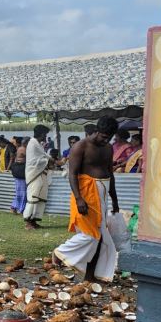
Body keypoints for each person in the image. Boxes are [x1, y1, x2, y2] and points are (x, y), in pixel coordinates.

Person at [53, 117, 120, 283]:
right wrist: (78, 199)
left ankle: (90, 277)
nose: (106, 140)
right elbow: (72, 174)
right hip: (86, 194)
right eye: (103, 136)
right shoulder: (80, 146)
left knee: (101, 237)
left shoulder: (108, 148)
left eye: (109, 137)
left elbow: (110, 173)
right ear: (96, 131)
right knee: (90, 235)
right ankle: (60, 253)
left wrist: (114, 199)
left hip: (103, 193)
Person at [24, 125, 52, 230]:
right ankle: (28, 222)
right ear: (42, 134)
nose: (46, 137)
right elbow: (35, 160)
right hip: (34, 174)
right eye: (45, 134)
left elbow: (44, 155)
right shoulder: (33, 143)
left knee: (40, 197)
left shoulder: (37, 144)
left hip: (41, 173)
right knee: (33, 197)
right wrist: (50, 161)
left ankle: (34, 220)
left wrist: (49, 160)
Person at [10, 141, 28, 214]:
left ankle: (14, 207)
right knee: (23, 192)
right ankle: (21, 209)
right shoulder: (23, 149)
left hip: (18, 170)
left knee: (20, 191)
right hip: (21, 170)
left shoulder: (20, 148)